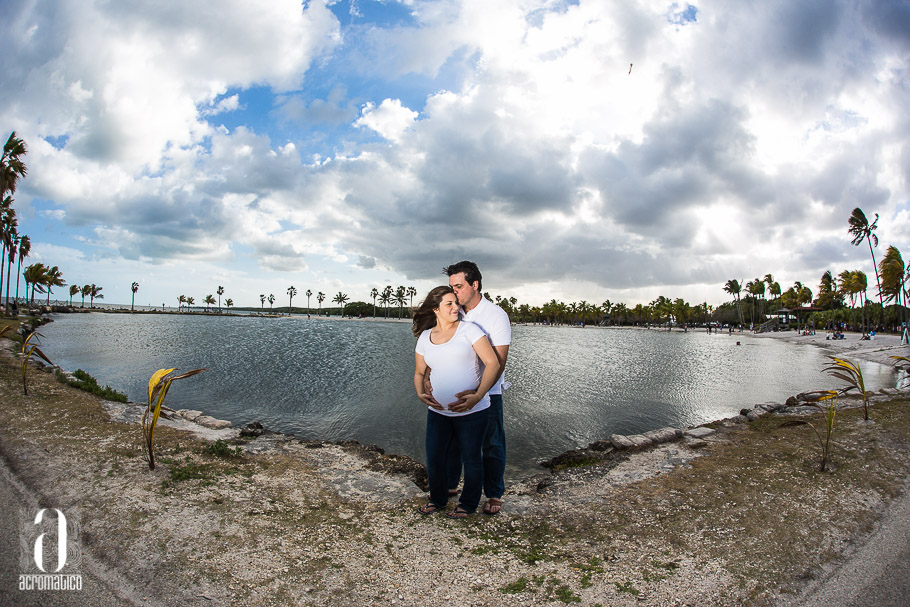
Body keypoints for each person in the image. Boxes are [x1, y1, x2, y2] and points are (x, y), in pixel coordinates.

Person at [412, 285, 501, 518]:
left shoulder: (470, 330)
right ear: (435, 309)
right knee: (434, 457)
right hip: (438, 412)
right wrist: (421, 393)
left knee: (472, 458)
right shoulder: (425, 337)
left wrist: (478, 395)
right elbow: (420, 372)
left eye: (456, 302)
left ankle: (468, 504)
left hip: (473, 412)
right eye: (449, 304)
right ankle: (437, 500)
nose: (455, 307)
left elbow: (493, 364)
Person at [434, 261, 511, 516]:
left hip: (488, 392)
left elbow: (498, 362)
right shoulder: (454, 312)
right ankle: (452, 484)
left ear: (474, 284)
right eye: (451, 287)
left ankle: (493, 493)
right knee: (453, 442)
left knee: (491, 444)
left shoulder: (495, 315)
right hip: (456, 391)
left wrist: (478, 393)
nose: (453, 292)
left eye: (458, 286)